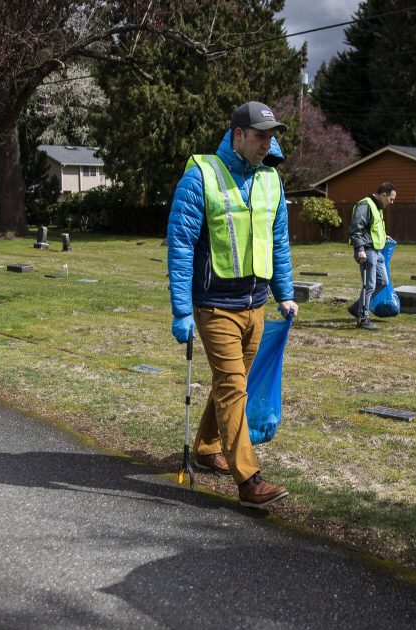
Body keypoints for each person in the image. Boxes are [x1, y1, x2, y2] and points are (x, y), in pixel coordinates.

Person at [167, 101, 299, 509]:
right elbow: (181, 244)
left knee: (232, 382)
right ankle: (249, 480)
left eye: (271, 136)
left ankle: (207, 448)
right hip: (215, 306)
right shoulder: (200, 178)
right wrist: (182, 311)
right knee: (232, 386)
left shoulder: (270, 182)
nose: (267, 144)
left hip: (255, 305)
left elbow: (278, 242)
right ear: (238, 135)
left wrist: (286, 292)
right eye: (261, 136)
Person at [347, 182, 397, 330]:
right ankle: (363, 318)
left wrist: (383, 236)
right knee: (369, 285)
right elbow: (356, 228)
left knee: (382, 282)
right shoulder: (365, 205)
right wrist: (360, 248)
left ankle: (357, 307)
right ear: (383, 195)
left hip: (377, 251)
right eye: (391, 199)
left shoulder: (377, 207)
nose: (392, 202)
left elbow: (372, 228)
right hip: (367, 250)